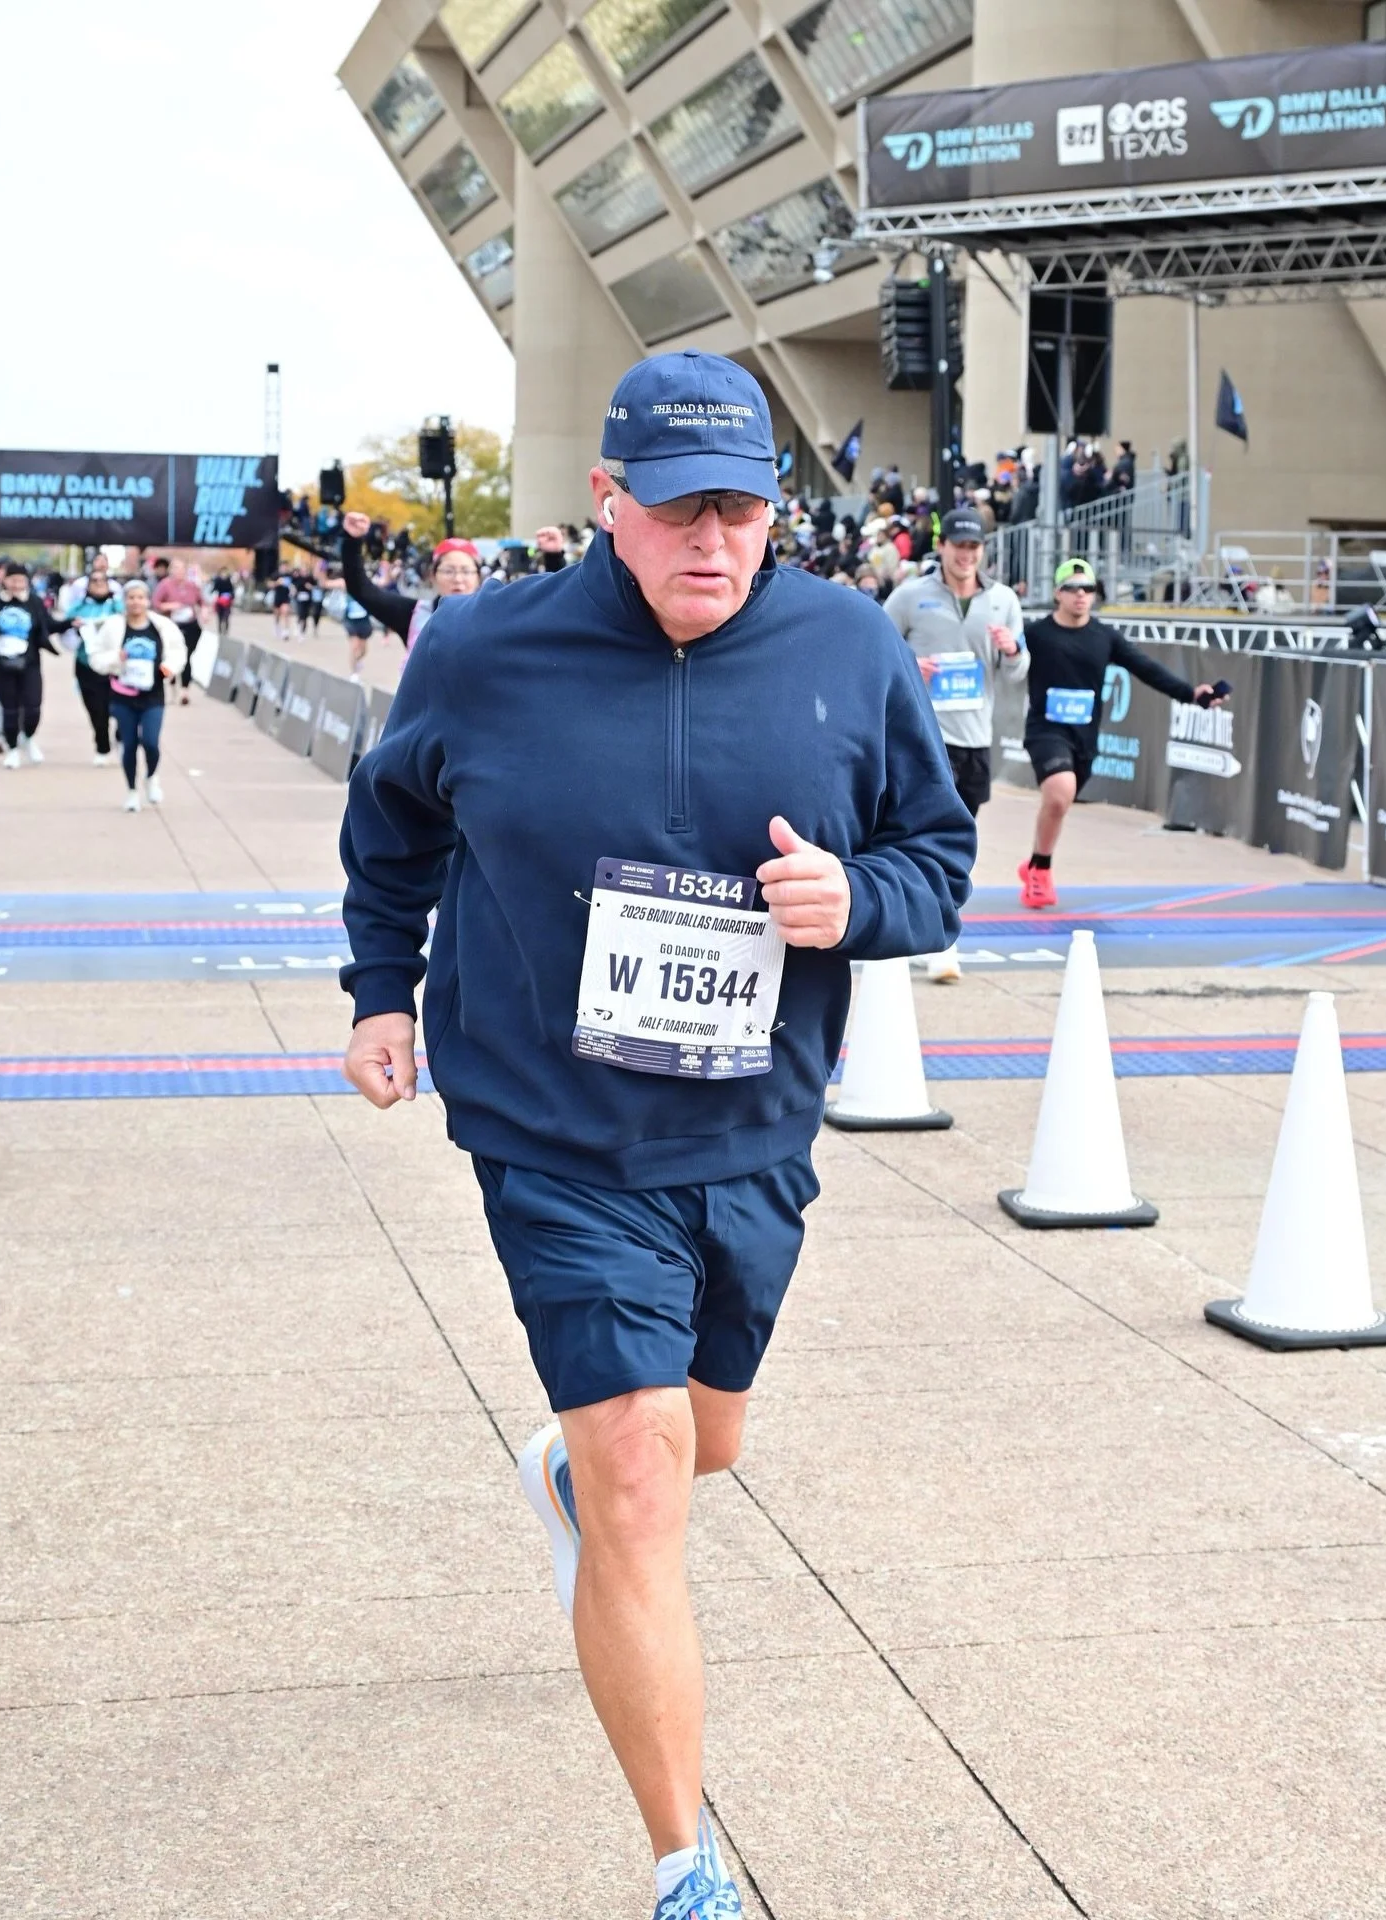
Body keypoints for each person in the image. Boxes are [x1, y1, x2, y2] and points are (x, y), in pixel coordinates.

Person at [337, 349, 974, 1920]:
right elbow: (394, 817)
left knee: (703, 1446)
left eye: (744, 510)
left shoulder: (843, 646)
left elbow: (935, 855)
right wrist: (380, 987)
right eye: (681, 507)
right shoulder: (485, 652)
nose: (715, 541)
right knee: (639, 1476)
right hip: (552, 1128)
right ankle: (686, 1867)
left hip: (753, 1127)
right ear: (606, 501)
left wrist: (857, 902)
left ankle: (575, 1466)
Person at [1019, 557, 1223, 908]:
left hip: (1084, 738)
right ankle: (1041, 870)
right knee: (1058, 792)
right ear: (1057, 593)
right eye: (1072, 588)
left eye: (1088, 588)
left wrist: (1191, 694)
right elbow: (1004, 660)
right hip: (1045, 730)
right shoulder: (1036, 634)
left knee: (1063, 799)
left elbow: (1146, 668)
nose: (1080, 595)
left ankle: (1035, 860)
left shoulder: (1104, 637)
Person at [884, 505, 1028, 980]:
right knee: (916, 835)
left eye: (974, 547)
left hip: (974, 737)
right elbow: (878, 648)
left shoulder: (1003, 600)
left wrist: (1012, 650)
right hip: (922, 736)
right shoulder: (910, 595)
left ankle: (938, 929)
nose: (966, 555)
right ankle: (933, 935)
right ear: (942, 546)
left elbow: (1017, 671)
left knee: (958, 841)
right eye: (958, 545)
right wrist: (911, 666)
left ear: (982, 550)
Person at [87, 578, 186, 811]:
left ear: (148, 600)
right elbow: (96, 657)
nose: (135, 602)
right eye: (131, 598)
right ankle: (131, 791)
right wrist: (115, 659)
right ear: (124, 601)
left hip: (153, 694)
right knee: (129, 744)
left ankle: (151, 777)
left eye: (140, 597)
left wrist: (168, 668)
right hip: (123, 694)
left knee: (151, 742)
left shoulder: (161, 626)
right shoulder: (113, 627)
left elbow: (178, 651)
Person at [339, 510, 479, 649]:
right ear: (432, 575)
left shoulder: (494, 622)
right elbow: (361, 589)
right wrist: (352, 541)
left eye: (466, 571)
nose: (458, 578)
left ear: (478, 577)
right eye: (449, 571)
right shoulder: (414, 614)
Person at [0, 561, 72, 767]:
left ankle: (28, 737)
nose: (16, 584)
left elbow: (49, 625)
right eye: (12, 580)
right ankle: (13, 749)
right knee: (9, 709)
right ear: (4, 580)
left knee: (33, 707)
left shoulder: (34, 601)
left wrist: (70, 622)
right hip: (0, 664)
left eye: (20, 580)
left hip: (29, 662)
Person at [64, 557, 124, 763]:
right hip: (86, 664)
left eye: (102, 581)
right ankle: (102, 746)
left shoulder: (117, 606)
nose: (99, 585)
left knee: (116, 706)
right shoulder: (80, 607)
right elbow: (64, 623)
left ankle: (121, 737)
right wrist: (75, 624)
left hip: (113, 665)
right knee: (95, 708)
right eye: (94, 582)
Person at [151, 557, 205, 706]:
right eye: (175, 568)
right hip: (172, 626)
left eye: (181, 569)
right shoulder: (165, 585)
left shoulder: (191, 586)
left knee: (186, 656)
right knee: (173, 657)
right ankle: (172, 685)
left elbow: (202, 601)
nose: (179, 572)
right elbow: (155, 603)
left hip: (191, 625)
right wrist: (169, 606)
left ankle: (185, 690)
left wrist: (204, 612)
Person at [210, 569, 235, 638]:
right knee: (219, 617)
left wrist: (230, 596)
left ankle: (226, 631)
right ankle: (220, 631)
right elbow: (214, 589)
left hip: (227, 602)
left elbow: (232, 591)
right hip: (220, 602)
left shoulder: (229, 581)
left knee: (226, 617)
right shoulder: (218, 581)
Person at [271, 568, 294, 643]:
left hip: (286, 598)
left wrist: (293, 589)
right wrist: (277, 582)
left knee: (286, 612)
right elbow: (270, 585)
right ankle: (277, 626)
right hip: (278, 597)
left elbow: (293, 584)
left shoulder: (289, 576)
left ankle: (286, 631)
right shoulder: (276, 575)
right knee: (277, 614)